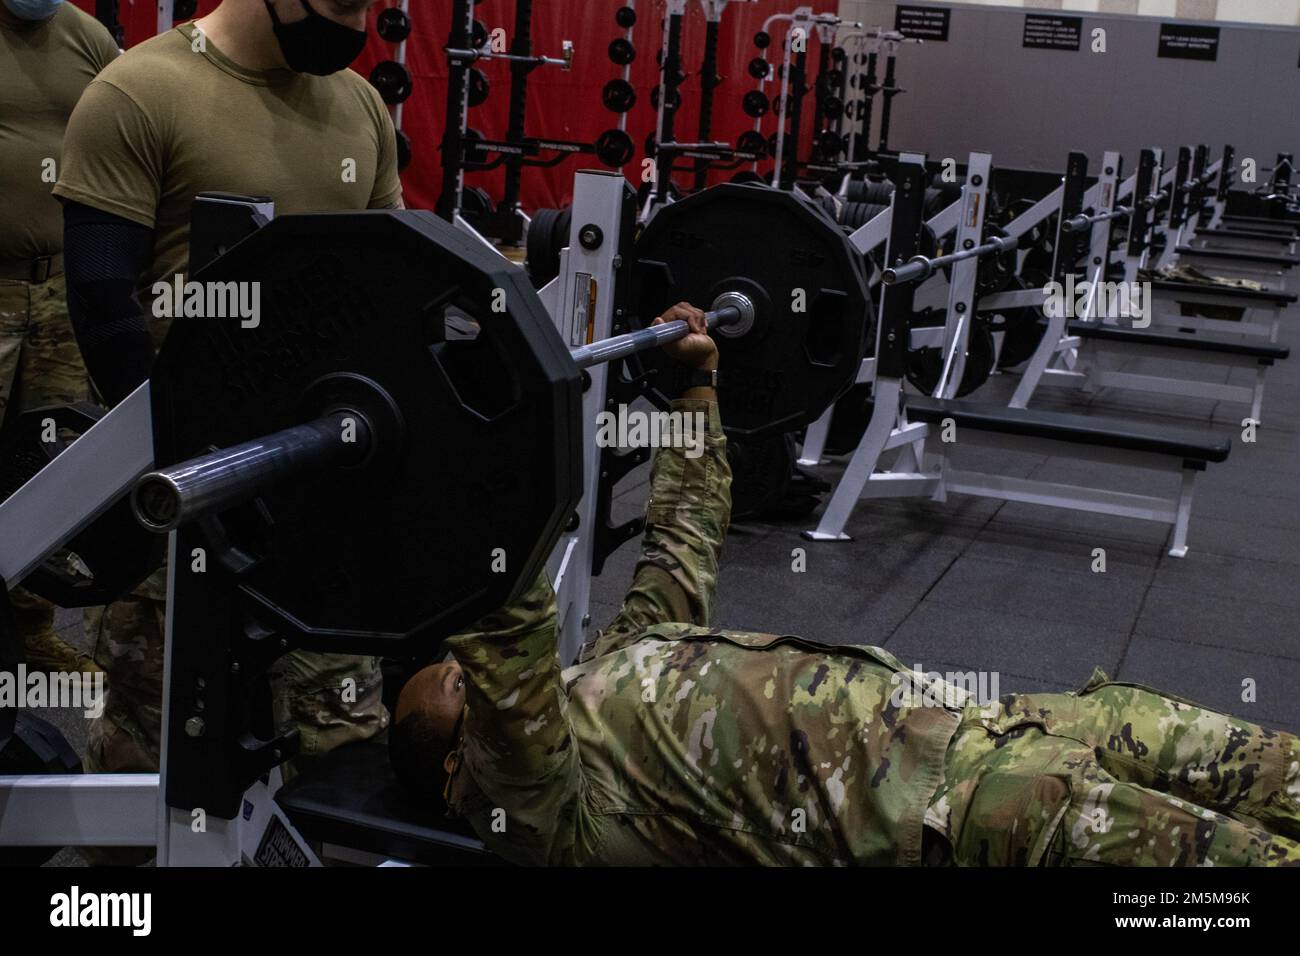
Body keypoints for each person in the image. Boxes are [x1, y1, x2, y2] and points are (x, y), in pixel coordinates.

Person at [391, 303, 1300, 867]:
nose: (475, 674)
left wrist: (697, 391)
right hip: (977, 818)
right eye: (456, 686)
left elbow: (682, 539)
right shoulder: (543, 814)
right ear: (453, 766)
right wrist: (458, 471)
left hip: (1026, 725)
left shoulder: (613, 656)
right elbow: (509, 649)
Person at [52, 0, 401, 780]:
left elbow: (390, 282)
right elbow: (104, 307)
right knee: (158, 766)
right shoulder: (138, 92)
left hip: (326, 488)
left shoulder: (360, 104)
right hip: (188, 497)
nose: (357, 23)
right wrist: (186, 467)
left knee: (337, 760)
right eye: (343, 4)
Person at [0, 0, 119, 675]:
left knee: (44, 465)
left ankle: (31, 631)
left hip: (58, 290)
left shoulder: (89, 41)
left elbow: (129, 143)